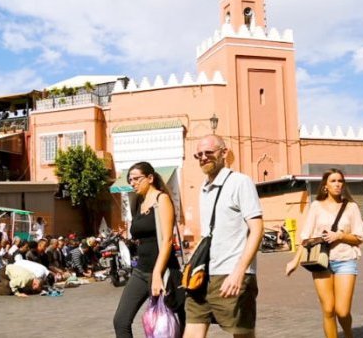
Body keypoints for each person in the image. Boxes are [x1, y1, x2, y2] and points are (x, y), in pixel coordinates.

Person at [184, 134, 263, 338]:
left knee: (242, 334)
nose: (203, 157)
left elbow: (257, 229)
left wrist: (239, 272)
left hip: (231, 273)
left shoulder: (240, 182)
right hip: (202, 276)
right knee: (191, 331)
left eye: (208, 152)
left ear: (224, 153)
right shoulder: (203, 188)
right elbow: (208, 233)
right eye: (198, 154)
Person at [285, 169, 363, 338]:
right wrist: (295, 261)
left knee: (343, 311)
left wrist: (340, 235)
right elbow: (306, 237)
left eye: (340, 181)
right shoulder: (316, 206)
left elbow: (359, 237)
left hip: (345, 260)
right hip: (320, 261)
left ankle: (348, 334)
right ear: (325, 186)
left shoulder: (351, 207)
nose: (337, 184)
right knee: (328, 309)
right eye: (333, 181)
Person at [113, 161, 182, 338]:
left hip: (164, 270)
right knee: (120, 321)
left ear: (150, 178)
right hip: (141, 271)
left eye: (136, 179)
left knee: (174, 324)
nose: (133, 183)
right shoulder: (138, 203)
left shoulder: (162, 199)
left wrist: (157, 274)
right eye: (130, 180)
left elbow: (167, 240)